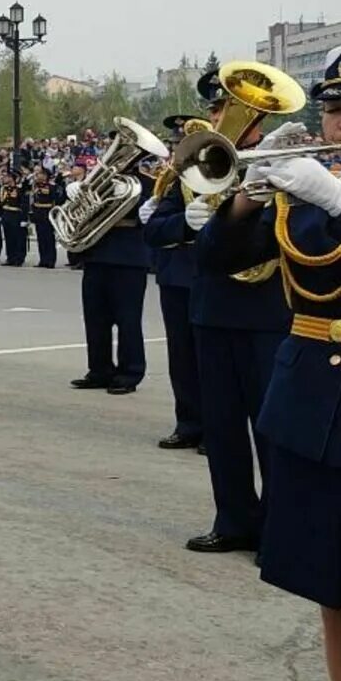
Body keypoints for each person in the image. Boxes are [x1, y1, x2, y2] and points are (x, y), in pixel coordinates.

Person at [194, 50, 341, 681]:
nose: (337, 123)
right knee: (333, 595)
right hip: (316, 405)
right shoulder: (308, 195)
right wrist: (247, 201)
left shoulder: (330, 193)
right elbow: (215, 259)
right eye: (333, 109)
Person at [180, 81, 292, 555]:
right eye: (223, 106)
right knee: (222, 426)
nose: (225, 114)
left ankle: (279, 530)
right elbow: (174, 221)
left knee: (270, 428)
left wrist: (240, 213)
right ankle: (233, 520)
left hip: (265, 310)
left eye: (234, 107)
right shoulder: (203, 158)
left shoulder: (285, 161)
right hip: (213, 308)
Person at [143, 113, 208, 452]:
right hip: (174, 275)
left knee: (211, 360)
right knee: (181, 357)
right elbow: (156, 228)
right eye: (174, 145)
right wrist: (181, 221)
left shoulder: (218, 172)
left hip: (208, 274)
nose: (175, 150)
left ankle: (216, 430)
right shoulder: (172, 180)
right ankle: (189, 423)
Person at [69, 140, 153, 395]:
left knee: (128, 320)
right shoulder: (97, 181)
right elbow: (81, 215)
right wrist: (80, 193)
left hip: (128, 257)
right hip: (97, 254)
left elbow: (147, 216)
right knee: (95, 319)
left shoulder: (147, 184)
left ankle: (130, 372)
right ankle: (99, 369)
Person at [29, 162, 63, 268]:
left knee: (49, 238)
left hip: (47, 213)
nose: (38, 175)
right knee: (41, 238)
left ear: (45, 176)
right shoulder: (34, 185)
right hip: (38, 213)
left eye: (40, 174)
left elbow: (57, 199)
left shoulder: (52, 187)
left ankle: (50, 260)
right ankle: (43, 259)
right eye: (38, 174)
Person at [0, 174, 27, 266]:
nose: (5, 178)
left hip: (16, 215)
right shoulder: (5, 189)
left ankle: (19, 258)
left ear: (12, 179)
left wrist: (24, 219)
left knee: (18, 238)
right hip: (7, 214)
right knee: (9, 238)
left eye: (7, 177)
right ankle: (10, 257)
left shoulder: (20, 189)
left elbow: (24, 204)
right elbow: (2, 202)